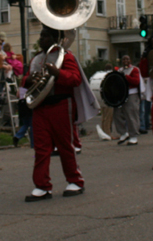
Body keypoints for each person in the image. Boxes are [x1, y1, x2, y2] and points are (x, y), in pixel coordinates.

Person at [23, 26, 97, 202]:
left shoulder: (66, 56)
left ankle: (75, 181)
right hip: (41, 106)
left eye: (46, 36)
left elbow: (75, 79)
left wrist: (58, 73)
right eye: (41, 35)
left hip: (61, 104)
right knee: (41, 148)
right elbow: (25, 80)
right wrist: (29, 80)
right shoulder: (37, 59)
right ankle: (42, 186)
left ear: (55, 39)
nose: (42, 39)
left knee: (65, 145)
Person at [114, 55, 140, 145]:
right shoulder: (120, 70)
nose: (125, 60)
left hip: (131, 94)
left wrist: (125, 77)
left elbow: (136, 81)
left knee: (131, 114)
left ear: (130, 60)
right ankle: (123, 133)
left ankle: (133, 136)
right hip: (121, 94)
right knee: (117, 113)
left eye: (127, 59)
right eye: (124, 59)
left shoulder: (134, 69)